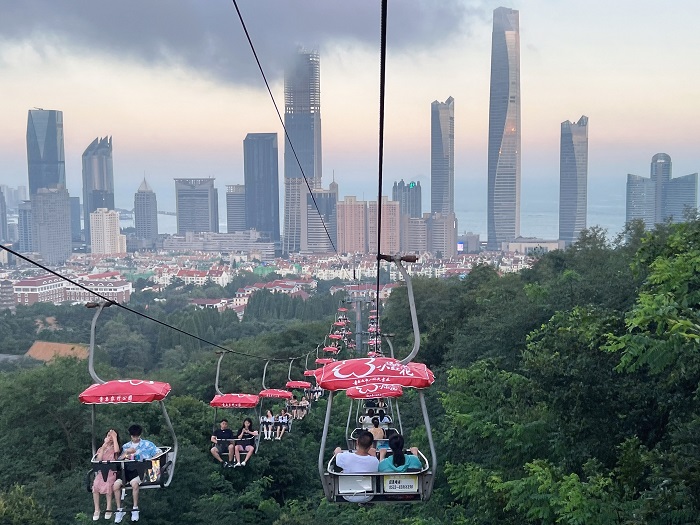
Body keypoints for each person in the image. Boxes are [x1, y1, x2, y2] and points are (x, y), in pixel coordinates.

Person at [113, 424, 159, 523]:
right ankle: (119, 509)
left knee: (134, 484)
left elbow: (158, 452)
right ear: (131, 436)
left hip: (140, 471)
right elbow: (118, 460)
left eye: (137, 436)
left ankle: (135, 508)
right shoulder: (126, 446)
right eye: (133, 436)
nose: (135, 438)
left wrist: (149, 460)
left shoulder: (147, 445)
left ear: (139, 435)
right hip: (127, 471)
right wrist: (126, 453)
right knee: (116, 485)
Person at [333, 430, 379, 503]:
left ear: (357, 442)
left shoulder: (346, 457)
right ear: (371, 446)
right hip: (367, 495)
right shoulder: (374, 461)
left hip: (347, 495)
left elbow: (337, 453)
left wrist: (338, 449)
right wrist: (373, 455)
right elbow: (376, 465)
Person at [92, 429, 120, 521]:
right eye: (108, 436)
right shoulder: (101, 449)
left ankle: (109, 507)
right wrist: (103, 448)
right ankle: (97, 509)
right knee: (95, 485)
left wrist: (114, 438)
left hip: (111, 472)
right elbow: (98, 460)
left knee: (108, 485)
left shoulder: (115, 448)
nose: (110, 438)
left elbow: (116, 455)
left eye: (111, 436)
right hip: (102, 472)